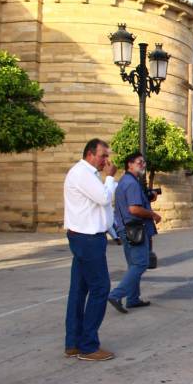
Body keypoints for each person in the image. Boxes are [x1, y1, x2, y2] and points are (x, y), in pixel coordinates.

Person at [63, 138, 117, 361]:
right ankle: (88, 346)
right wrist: (111, 177)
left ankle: (74, 342)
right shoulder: (82, 174)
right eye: (103, 155)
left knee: (79, 289)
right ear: (90, 154)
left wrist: (113, 232)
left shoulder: (89, 174)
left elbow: (99, 210)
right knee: (100, 288)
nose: (106, 160)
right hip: (87, 239)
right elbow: (104, 198)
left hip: (87, 237)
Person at [107, 152, 161, 314]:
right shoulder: (131, 183)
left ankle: (133, 298)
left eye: (144, 162)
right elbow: (134, 209)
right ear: (129, 164)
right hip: (134, 229)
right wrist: (153, 214)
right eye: (139, 162)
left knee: (133, 264)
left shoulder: (126, 181)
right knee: (140, 264)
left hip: (127, 229)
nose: (143, 164)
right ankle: (116, 295)